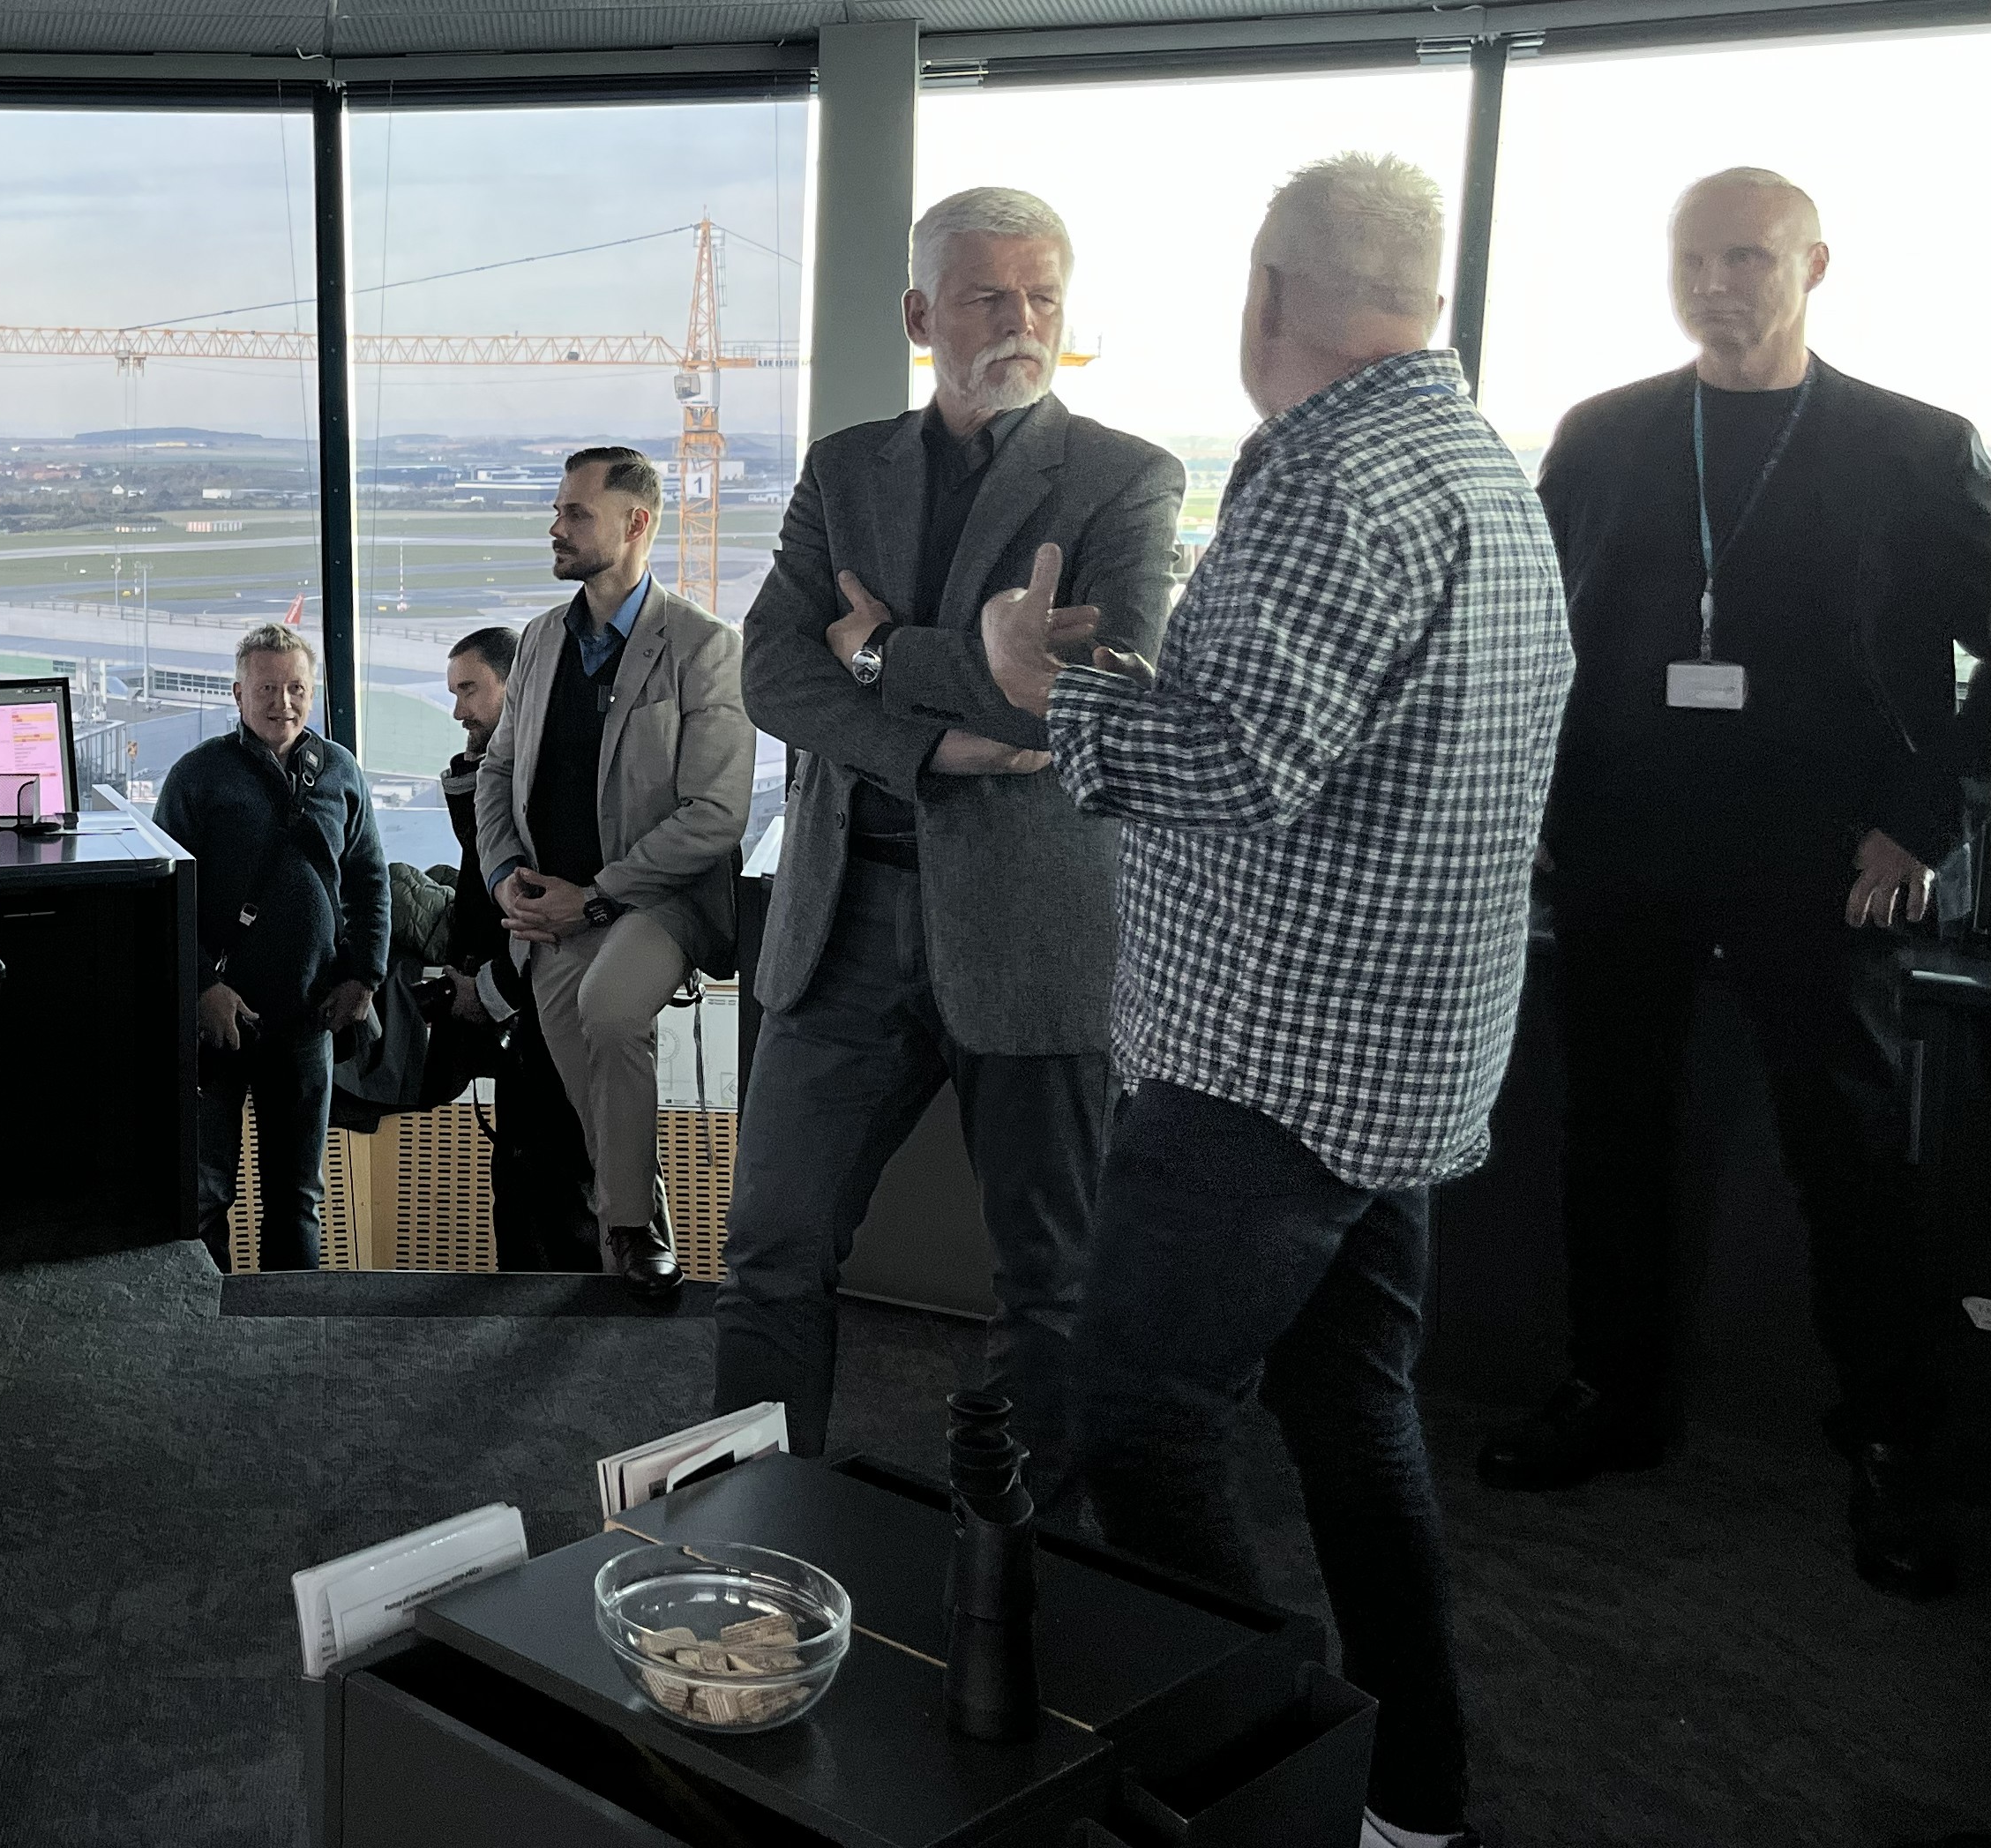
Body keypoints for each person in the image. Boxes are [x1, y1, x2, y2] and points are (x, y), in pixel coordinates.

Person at [988, 154, 1570, 1848]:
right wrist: (1129, 680)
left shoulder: (1326, 475)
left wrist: (1044, 685)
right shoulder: (1480, 466)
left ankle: (1268, 1784)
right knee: (1351, 1416)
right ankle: (1413, 1796)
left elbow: (1236, 766)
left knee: (1138, 1423)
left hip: (1265, 1070)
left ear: (1264, 292)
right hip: (1399, 1064)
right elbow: (1326, 741)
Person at [1480, 168, 1991, 1598]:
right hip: (1624, 846)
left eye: (1748, 258)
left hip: (1822, 861)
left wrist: (1918, 826)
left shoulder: (1911, 444)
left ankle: (1892, 1437)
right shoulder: (1604, 433)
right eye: (1694, 258)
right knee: (1611, 1130)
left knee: (1849, 1152)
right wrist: (1531, 803)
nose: (1716, 283)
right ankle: (1613, 1390)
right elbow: (1530, 631)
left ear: (1812, 265)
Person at [718, 188, 1183, 1499]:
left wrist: (879, 653)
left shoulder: (1125, 477)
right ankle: (747, 1531)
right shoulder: (844, 469)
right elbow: (771, 672)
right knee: (770, 1253)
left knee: (1053, 1279)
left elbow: (1092, 697)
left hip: (1038, 929)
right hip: (845, 917)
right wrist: (936, 742)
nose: (1022, 321)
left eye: (1043, 296)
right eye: (988, 296)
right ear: (922, 314)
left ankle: (1029, 1559)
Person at [475, 446, 754, 1302]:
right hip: (549, 908)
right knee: (596, 1108)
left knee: (610, 1008)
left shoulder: (705, 646)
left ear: (636, 523)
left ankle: (632, 1231)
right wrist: (505, 875)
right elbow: (497, 771)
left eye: (575, 513)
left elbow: (716, 814)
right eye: (558, 511)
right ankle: (631, 1239)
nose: (555, 528)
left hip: (659, 901)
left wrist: (596, 898)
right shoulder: (539, 640)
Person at [160, 621, 387, 1271]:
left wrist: (364, 976)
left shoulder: (340, 772)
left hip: (307, 1021)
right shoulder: (197, 777)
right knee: (204, 1196)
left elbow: (369, 880)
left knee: (297, 1198)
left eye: (296, 689)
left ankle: (295, 1323)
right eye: (266, 689)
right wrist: (202, 986)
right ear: (238, 694)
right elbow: (168, 895)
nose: (282, 703)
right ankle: (203, 1318)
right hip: (217, 1023)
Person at [436, 625, 596, 1272]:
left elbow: (537, 912)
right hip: (519, 1017)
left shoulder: (546, 787)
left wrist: (491, 992)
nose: (458, 711)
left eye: (470, 690)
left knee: (563, 1191)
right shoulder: (497, 779)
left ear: (515, 687)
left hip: (549, 1008)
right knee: (524, 1186)